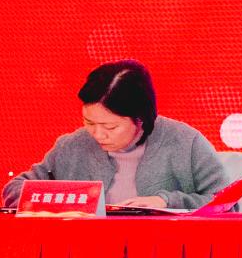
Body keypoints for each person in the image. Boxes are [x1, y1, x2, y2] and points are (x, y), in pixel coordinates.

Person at [18, 60, 227, 212]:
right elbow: (17, 189)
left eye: (110, 127)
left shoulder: (185, 142)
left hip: (162, 251)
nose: (97, 134)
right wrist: (67, 200)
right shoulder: (72, 145)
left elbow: (226, 203)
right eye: (89, 122)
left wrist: (166, 202)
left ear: (140, 118)